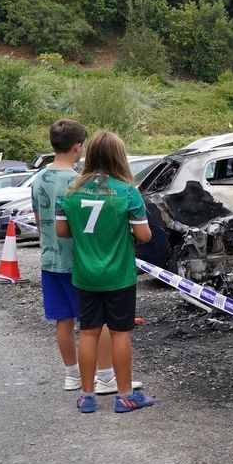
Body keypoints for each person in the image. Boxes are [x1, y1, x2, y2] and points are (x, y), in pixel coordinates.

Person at [32, 119, 141, 395]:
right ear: (78, 147)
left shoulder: (38, 178)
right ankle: (105, 376)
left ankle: (72, 375)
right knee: (97, 324)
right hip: (81, 262)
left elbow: (38, 219)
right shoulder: (78, 182)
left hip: (49, 258)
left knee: (63, 320)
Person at [56, 130, 154, 413]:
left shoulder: (72, 191)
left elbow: (62, 231)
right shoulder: (127, 192)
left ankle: (87, 396)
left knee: (88, 332)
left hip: (85, 275)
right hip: (118, 275)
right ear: (119, 157)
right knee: (120, 333)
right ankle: (125, 396)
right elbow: (145, 235)